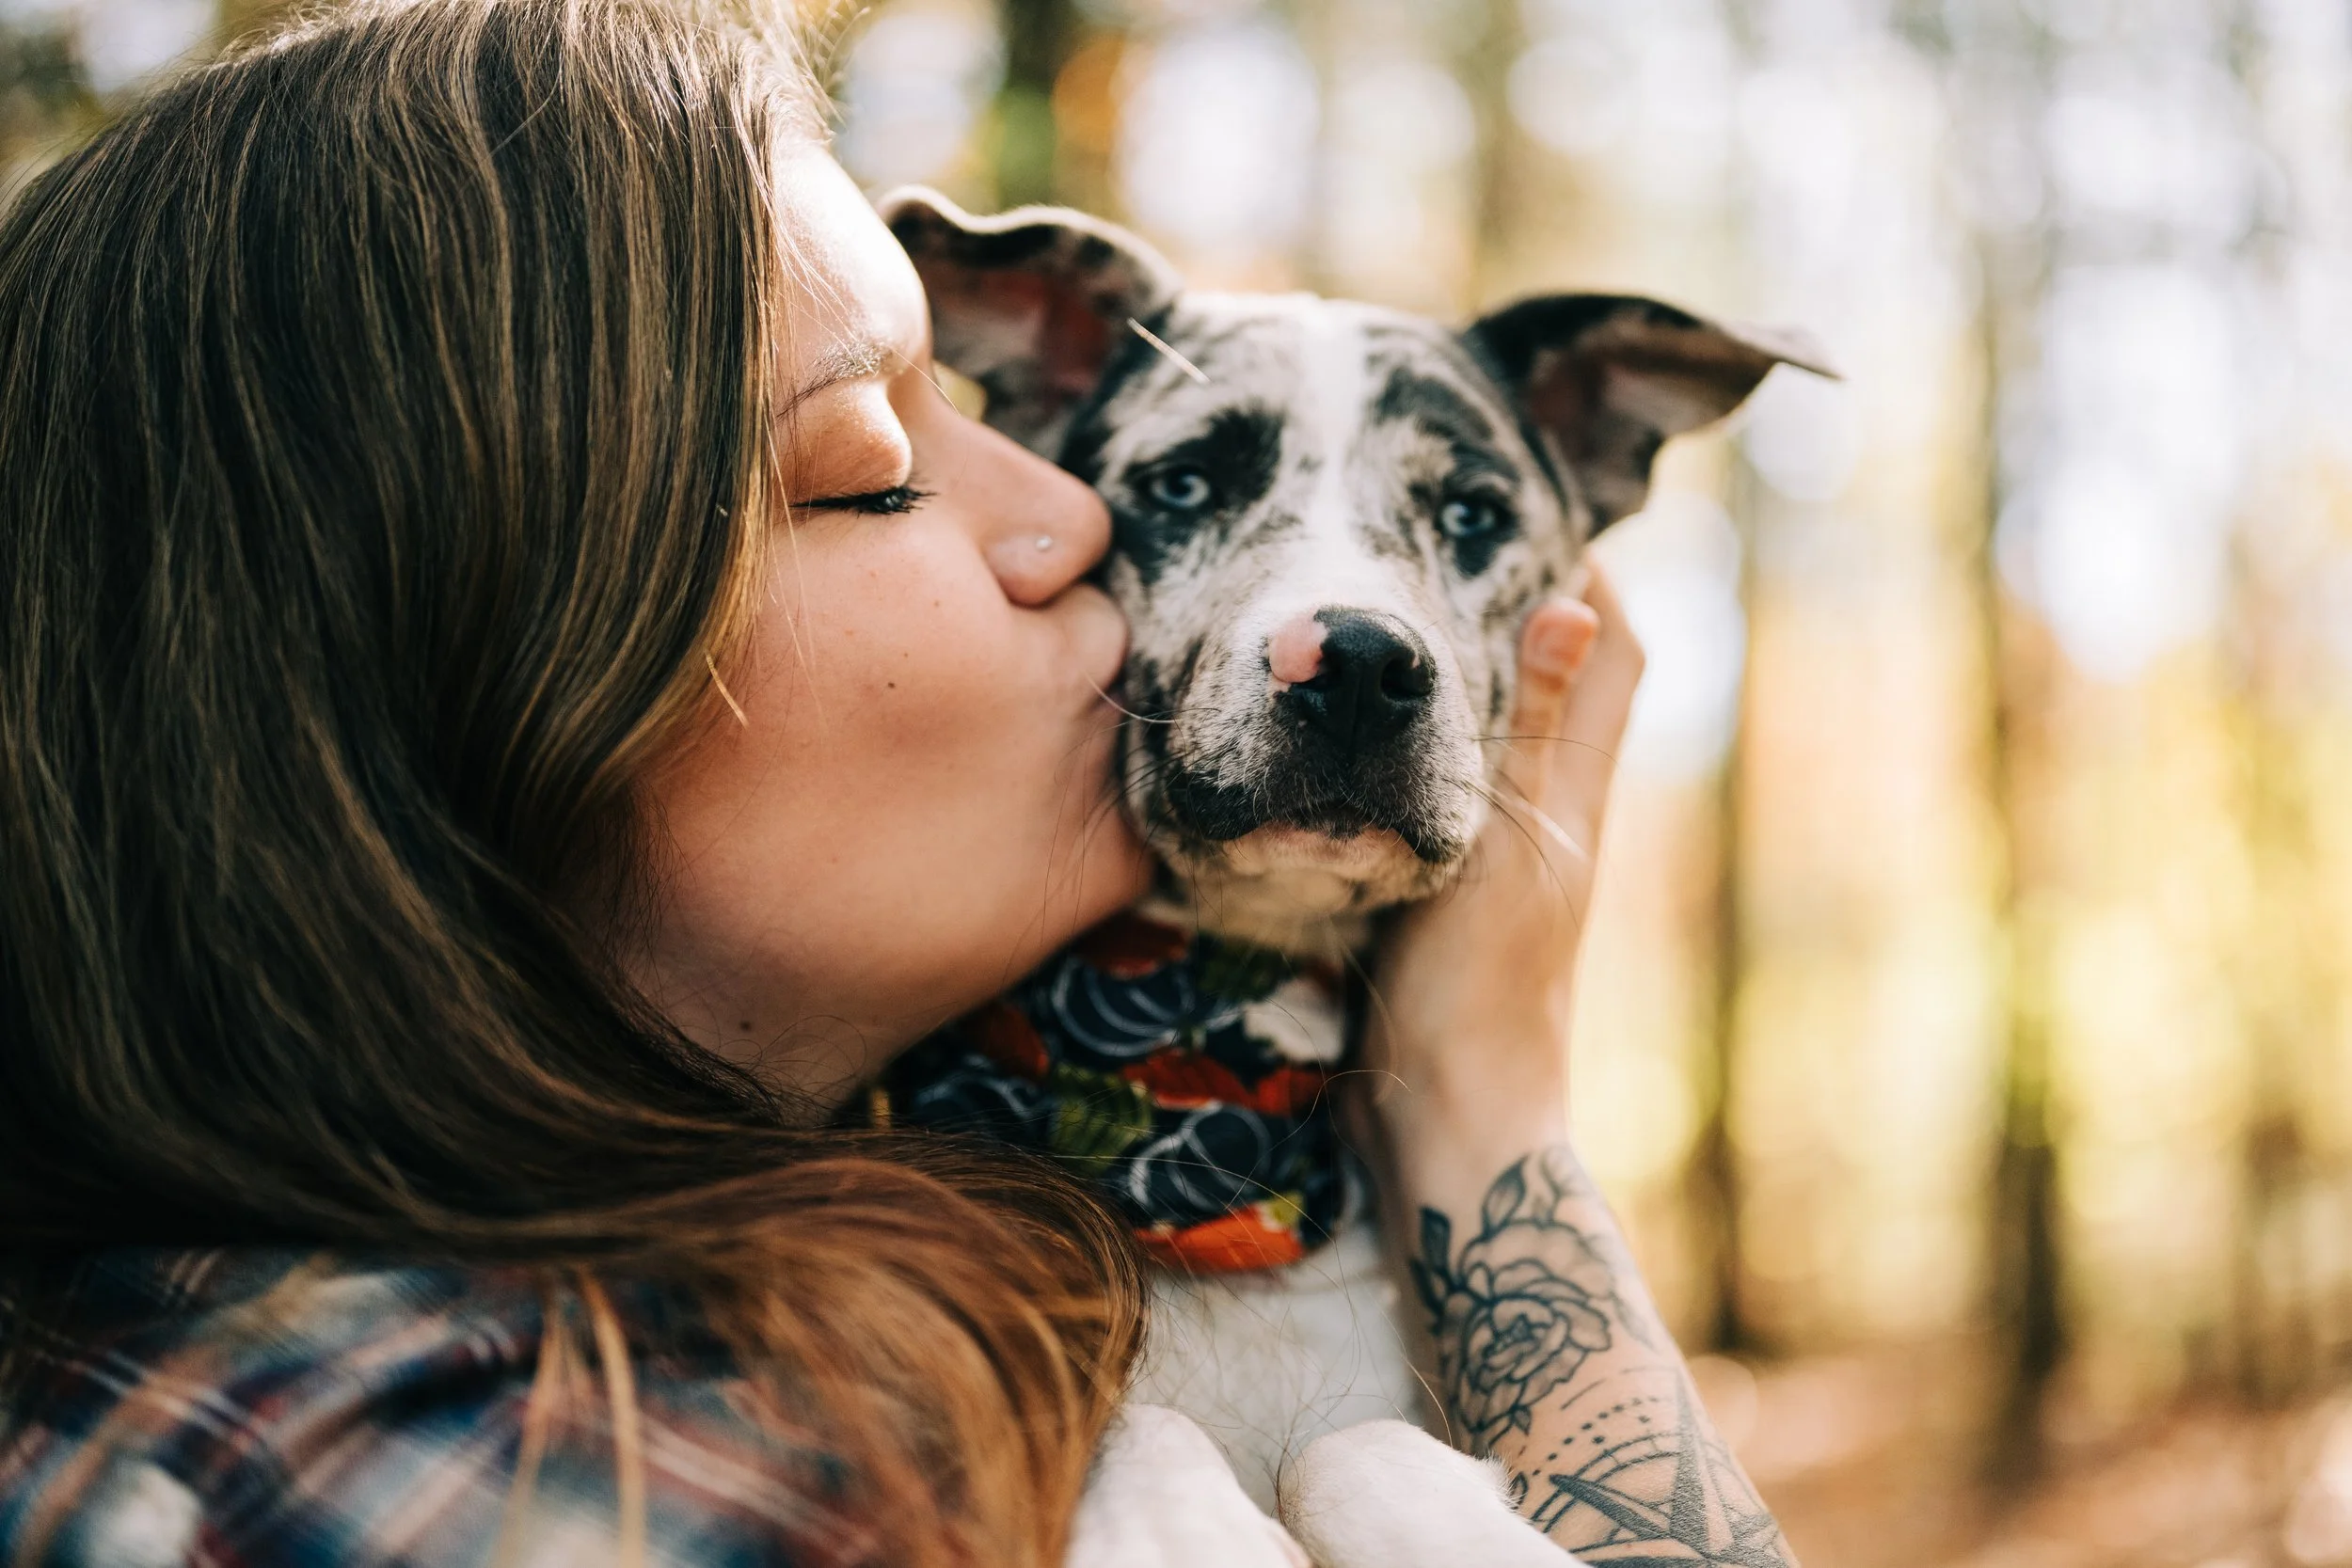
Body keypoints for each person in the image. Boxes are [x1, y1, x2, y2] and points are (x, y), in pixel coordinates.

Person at [0, 3, 1795, 1565]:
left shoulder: (863, 1269)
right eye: (868, 472)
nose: (1074, 515)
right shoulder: (396, 1476)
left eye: (986, 415)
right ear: (438, 668)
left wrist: (1471, 1080)